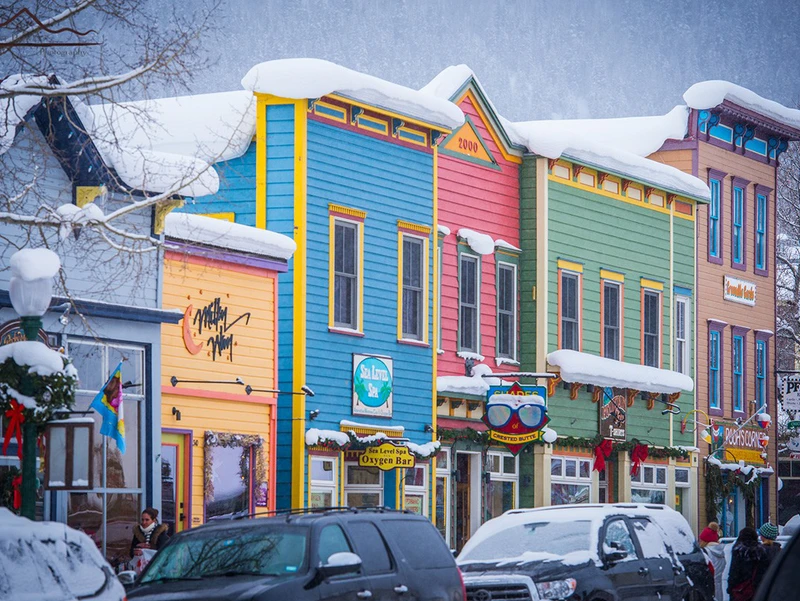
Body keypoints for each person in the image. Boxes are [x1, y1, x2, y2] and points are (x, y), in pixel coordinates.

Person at [727, 527, 769, 601]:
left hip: (740, 590)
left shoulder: (738, 551)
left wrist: (730, 588)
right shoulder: (761, 551)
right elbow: (764, 571)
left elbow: (734, 572)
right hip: (757, 589)